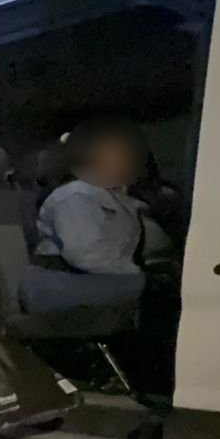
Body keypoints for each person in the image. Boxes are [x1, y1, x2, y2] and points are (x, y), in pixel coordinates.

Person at [26, 116, 162, 312]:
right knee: (159, 290)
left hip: (90, 276)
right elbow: (85, 255)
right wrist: (138, 273)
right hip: (63, 281)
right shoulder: (75, 195)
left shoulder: (113, 195)